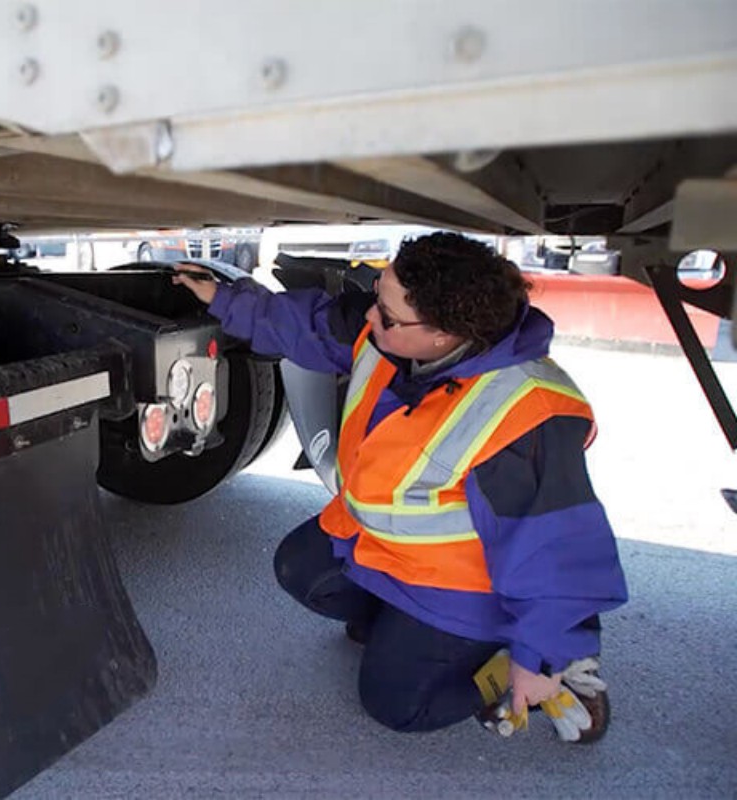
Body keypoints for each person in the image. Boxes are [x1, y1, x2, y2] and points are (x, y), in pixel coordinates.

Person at [172, 232, 628, 741]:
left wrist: (543, 657)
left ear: (442, 334)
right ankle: (406, 630)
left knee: (395, 703)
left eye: (386, 316)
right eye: (376, 303)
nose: (370, 319)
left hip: (469, 588)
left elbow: (555, 552)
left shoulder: (524, 415)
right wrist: (225, 298)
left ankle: (512, 669)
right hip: (390, 551)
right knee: (297, 567)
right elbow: (313, 326)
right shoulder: (397, 337)